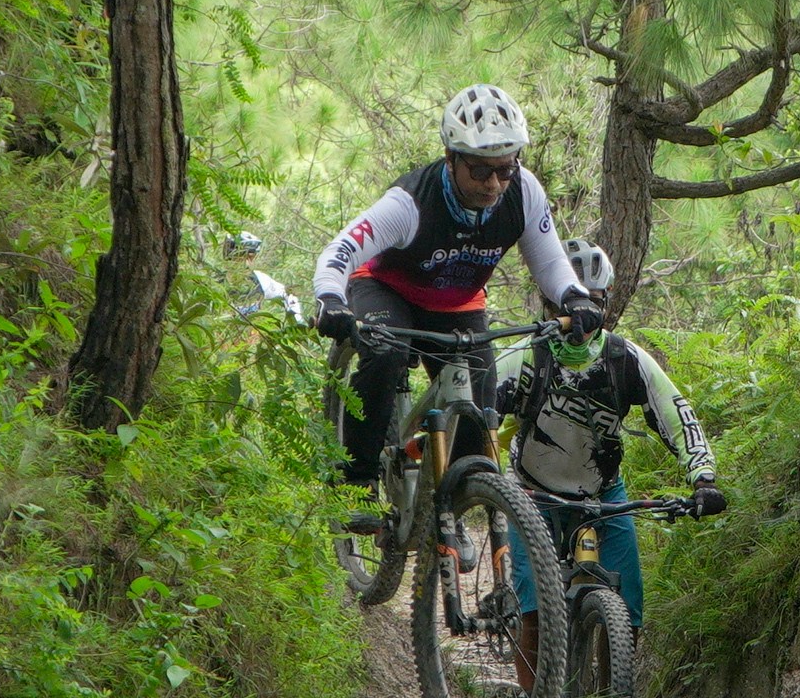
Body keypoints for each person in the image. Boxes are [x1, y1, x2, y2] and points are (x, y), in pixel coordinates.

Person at [309, 85, 605, 495]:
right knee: (385, 353)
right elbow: (342, 248)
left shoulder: (524, 192)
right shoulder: (410, 203)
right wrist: (330, 298)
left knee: (478, 421)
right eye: (481, 170)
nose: (495, 184)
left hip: (457, 303)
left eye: (505, 169)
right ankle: (356, 481)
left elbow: (551, 261)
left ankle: (455, 512)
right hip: (386, 288)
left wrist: (575, 296)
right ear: (451, 159)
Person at [493, 238, 724, 667]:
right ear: (549, 305)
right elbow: (481, 412)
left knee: (629, 608)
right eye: (567, 307)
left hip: (605, 494)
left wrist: (703, 476)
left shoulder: (625, 359)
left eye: (591, 306)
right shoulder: (525, 357)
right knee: (536, 612)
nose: (577, 321)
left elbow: (675, 413)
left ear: (606, 305)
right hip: (532, 495)